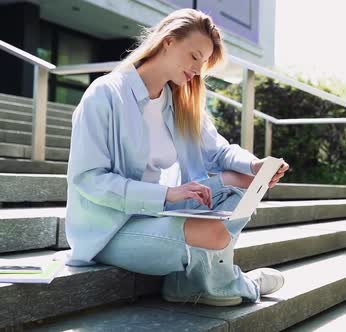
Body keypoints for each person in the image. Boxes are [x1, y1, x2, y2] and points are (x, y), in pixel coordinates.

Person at [65, 8, 289, 306]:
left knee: (245, 180)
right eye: (194, 56)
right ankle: (236, 283)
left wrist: (255, 165)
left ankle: (196, 280)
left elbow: (220, 151)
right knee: (213, 233)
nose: (198, 68)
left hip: (156, 212)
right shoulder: (105, 94)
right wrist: (167, 194)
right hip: (110, 228)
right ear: (167, 42)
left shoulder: (178, 101)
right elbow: (89, 179)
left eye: (204, 61)